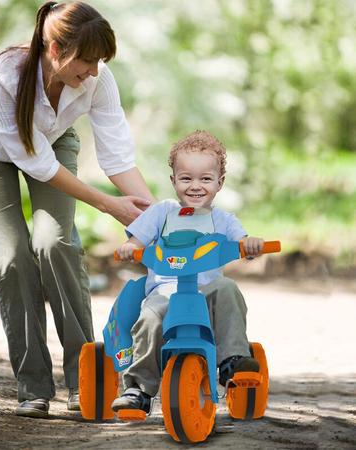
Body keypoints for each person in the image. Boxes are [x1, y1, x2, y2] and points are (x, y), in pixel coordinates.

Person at [0, 1, 154, 418]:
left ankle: (86, 380)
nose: (95, 70)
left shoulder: (98, 82)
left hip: (53, 142)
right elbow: (35, 163)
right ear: (54, 48)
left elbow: (117, 157)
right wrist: (106, 204)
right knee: (11, 256)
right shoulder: (3, 77)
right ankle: (34, 387)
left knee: (54, 242)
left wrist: (156, 216)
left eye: (100, 60)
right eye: (87, 60)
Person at [111, 130, 263, 413]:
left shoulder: (222, 219)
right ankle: (138, 388)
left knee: (227, 288)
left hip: (205, 294)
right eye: (186, 178)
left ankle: (233, 360)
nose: (196, 186)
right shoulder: (162, 212)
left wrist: (250, 245)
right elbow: (137, 239)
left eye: (205, 179)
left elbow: (242, 244)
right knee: (149, 318)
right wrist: (129, 247)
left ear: (220, 182)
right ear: (173, 180)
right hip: (166, 293)